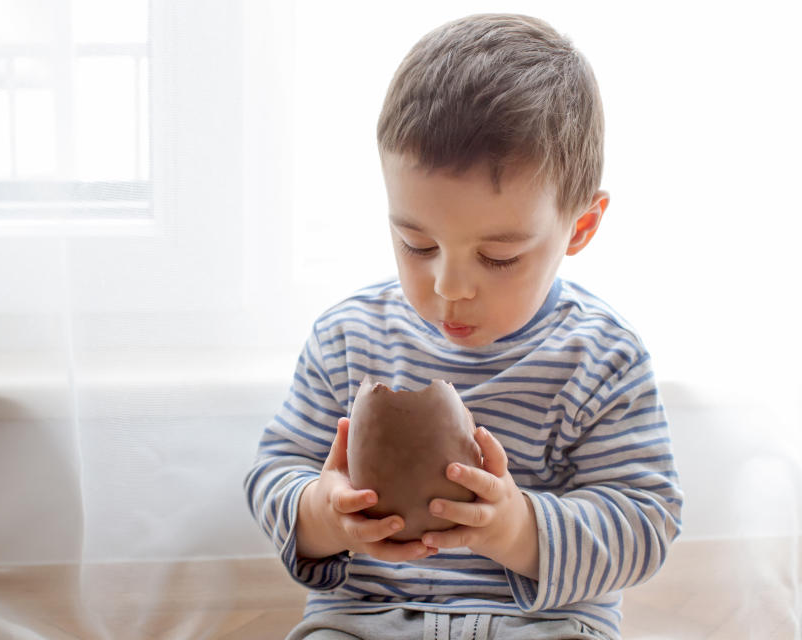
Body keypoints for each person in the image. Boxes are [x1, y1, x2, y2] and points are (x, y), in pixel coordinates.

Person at [244, 13, 682, 640]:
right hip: (369, 620)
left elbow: (645, 520)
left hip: (541, 622)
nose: (449, 288)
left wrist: (515, 527)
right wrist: (323, 514)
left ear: (580, 228)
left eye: (499, 257)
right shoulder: (347, 339)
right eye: (416, 244)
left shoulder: (601, 357)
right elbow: (276, 472)